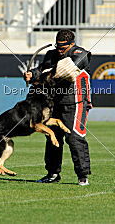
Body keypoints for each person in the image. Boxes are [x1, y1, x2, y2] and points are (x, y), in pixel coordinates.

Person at [24, 29, 92, 186]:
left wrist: (41, 75)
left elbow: (65, 70)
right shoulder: (51, 54)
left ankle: (82, 175)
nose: (60, 50)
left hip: (76, 102)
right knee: (52, 137)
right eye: (58, 47)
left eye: (63, 48)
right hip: (54, 103)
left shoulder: (81, 54)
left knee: (74, 138)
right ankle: (53, 173)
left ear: (72, 44)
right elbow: (41, 69)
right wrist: (31, 75)